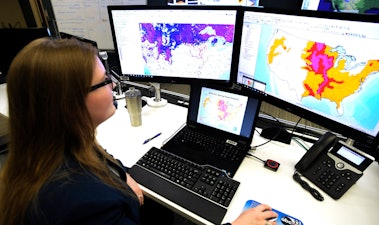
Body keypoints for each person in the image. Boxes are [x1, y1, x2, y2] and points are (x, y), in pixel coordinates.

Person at [0, 37, 277, 225]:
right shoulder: (82, 204)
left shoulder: (45, 148)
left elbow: (96, 153)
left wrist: (121, 174)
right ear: (70, 103)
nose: (113, 86)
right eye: (104, 81)